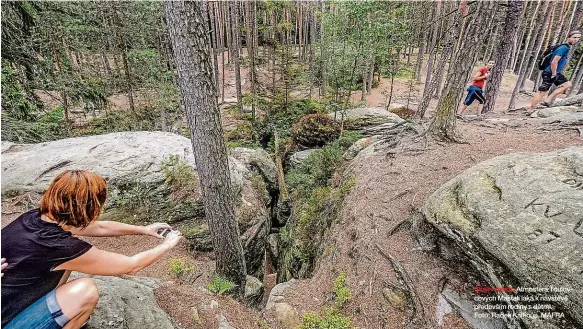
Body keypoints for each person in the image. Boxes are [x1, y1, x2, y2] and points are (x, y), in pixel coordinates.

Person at [1, 170, 182, 329]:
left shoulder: (36, 218)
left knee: (69, 262)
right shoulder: (57, 246)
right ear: (87, 207)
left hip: (10, 304)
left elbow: (100, 228)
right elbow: (130, 265)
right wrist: (167, 245)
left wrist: (143, 229)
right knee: (86, 291)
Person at [528, 30, 582, 114]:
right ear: (568, 37)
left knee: (568, 84)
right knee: (542, 91)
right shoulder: (563, 48)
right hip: (550, 72)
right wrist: (553, 73)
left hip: (555, 72)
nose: (576, 39)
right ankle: (531, 109)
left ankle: (548, 99)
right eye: (574, 37)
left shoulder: (566, 47)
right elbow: (554, 62)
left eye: (578, 38)